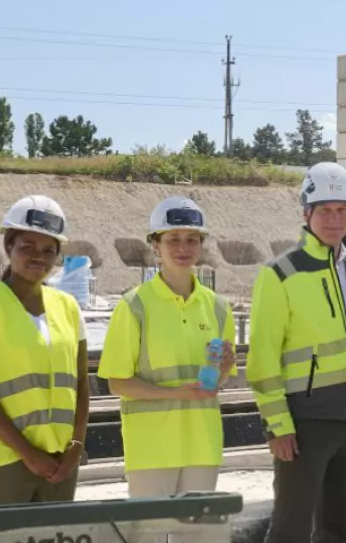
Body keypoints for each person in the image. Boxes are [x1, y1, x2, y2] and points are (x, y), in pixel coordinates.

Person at [248, 162, 346, 543]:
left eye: (343, 210)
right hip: (304, 425)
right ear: (306, 213)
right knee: (291, 526)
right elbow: (263, 359)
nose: (335, 219)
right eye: (325, 210)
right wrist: (278, 425)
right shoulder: (280, 275)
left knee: (339, 527)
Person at [97, 196, 238, 502]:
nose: (183, 248)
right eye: (173, 239)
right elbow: (117, 382)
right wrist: (178, 393)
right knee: (148, 534)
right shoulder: (134, 305)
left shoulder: (218, 308)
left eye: (191, 239)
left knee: (199, 537)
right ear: (156, 246)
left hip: (202, 446)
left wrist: (224, 368)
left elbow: (218, 382)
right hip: (151, 450)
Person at [0, 195, 90, 506]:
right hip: (3, 461)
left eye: (48, 250)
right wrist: (27, 452)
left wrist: (75, 445)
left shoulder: (68, 307)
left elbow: (82, 385)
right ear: (9, 247)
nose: (38, 257)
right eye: (27, 247)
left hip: (60, 464)